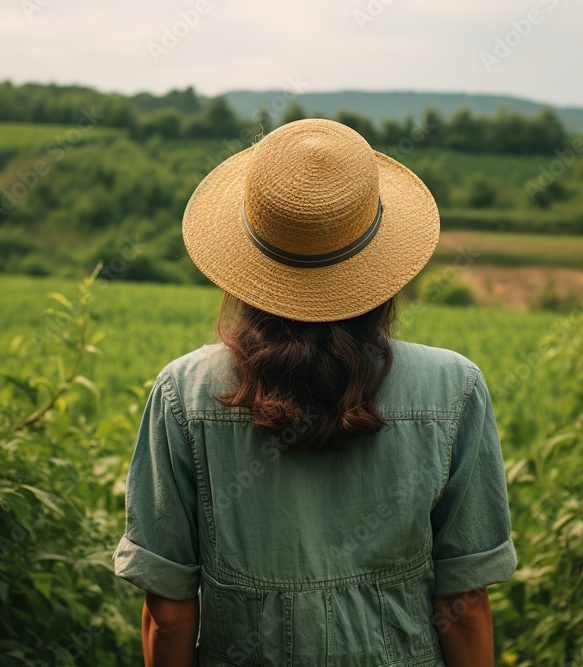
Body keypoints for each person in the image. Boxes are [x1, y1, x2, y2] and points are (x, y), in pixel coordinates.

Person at [112, 118, 518, 666]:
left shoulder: (184, 394)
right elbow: (465, 604)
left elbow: (170, 613)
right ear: (381, 264)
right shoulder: (454, 388)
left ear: (247, 261)